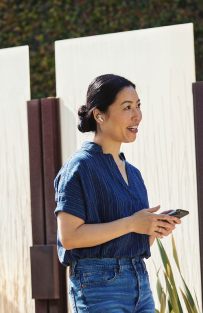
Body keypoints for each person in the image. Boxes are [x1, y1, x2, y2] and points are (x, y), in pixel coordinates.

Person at [54, 74, 181, 313]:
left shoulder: (133, 173)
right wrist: (132, 223)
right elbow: (69, 237)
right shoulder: (80, 167)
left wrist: (151, 228)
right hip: (99, 286)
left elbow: (131, 239)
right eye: (127, 107)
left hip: (140, 282)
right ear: (99, 115)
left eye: (138, 106)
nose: (137, 115)